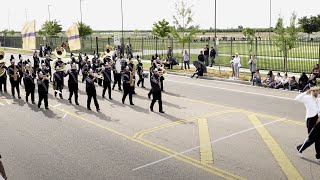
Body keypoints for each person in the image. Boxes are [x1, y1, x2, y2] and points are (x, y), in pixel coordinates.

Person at [295, 86, 320, 162]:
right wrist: (307, 91)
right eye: (314, 91)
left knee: (319, 139)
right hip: (310, 120)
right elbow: (297, 98)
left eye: (317, 91)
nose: (316, 92)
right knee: (312, 139)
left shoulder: (319, 100)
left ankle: (318, 156)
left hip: (318, 119)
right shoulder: (307, 98)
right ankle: (300, 148)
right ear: (311, 91)